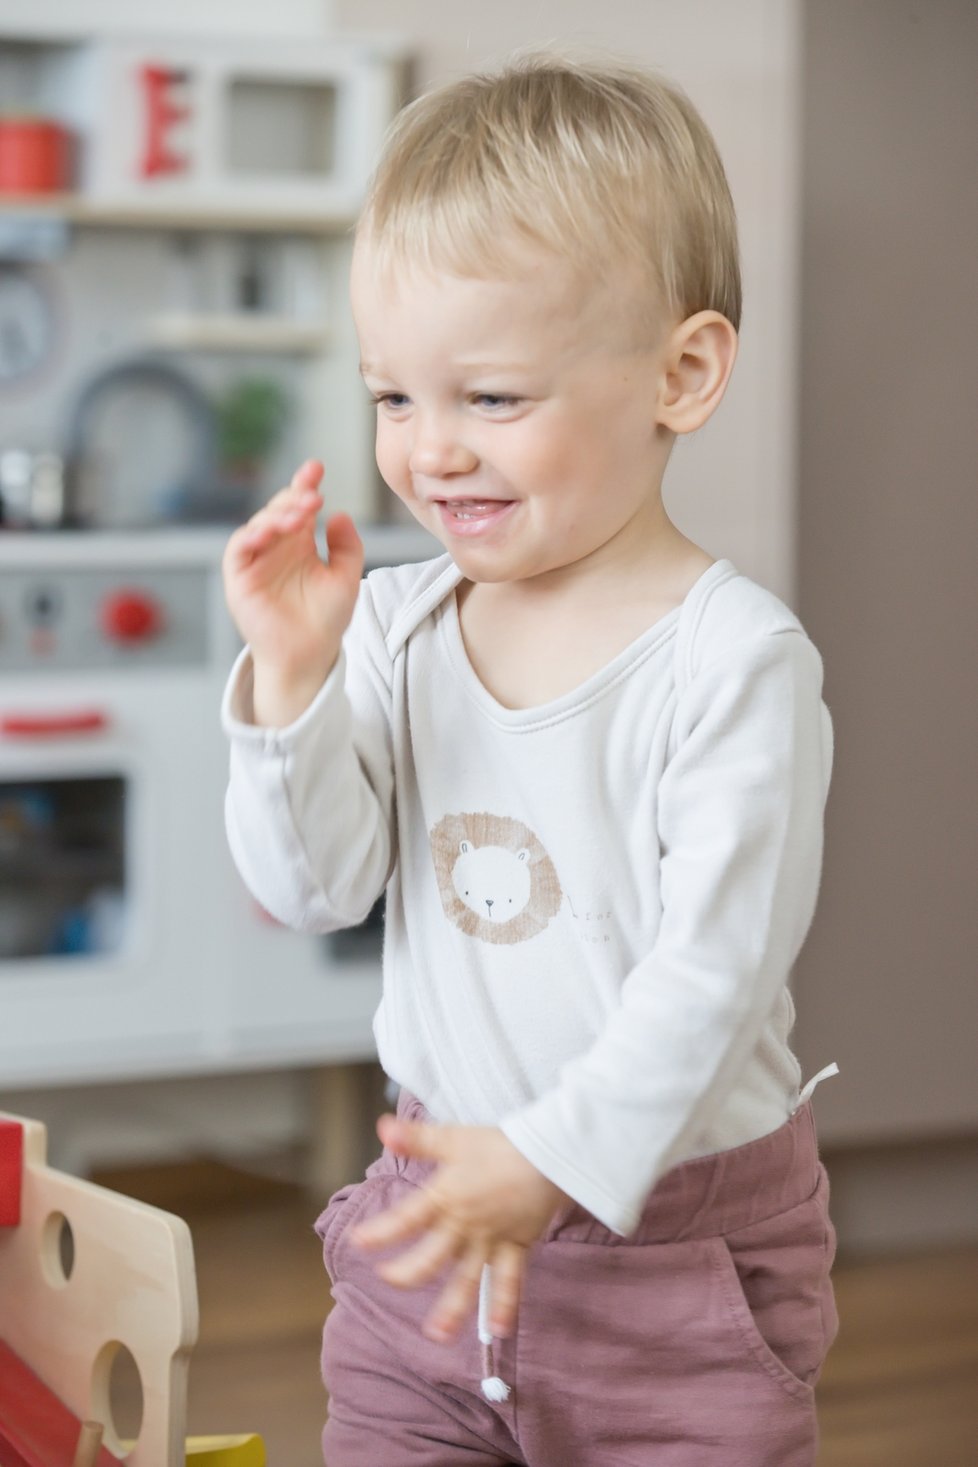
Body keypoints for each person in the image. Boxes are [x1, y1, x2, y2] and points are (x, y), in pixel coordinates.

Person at [220, 52, 840, 1467]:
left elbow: (716, 967)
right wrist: (292, 681)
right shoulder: (389, 621)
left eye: (490, 399)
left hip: (673, 1266)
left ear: (682, 373)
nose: (431, 453)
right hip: (428, 1233)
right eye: (392, 399)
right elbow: (309, 888)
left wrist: (551, 1158)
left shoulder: (732, 663)